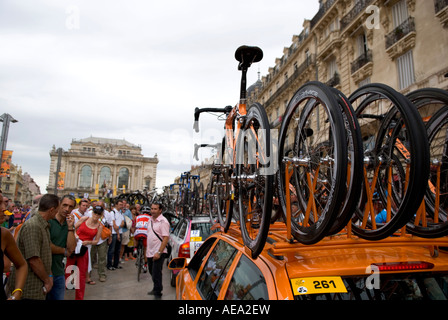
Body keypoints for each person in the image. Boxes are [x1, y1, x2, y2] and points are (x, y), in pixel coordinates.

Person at [11, 194, 60, 300]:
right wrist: (47, 280)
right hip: (29, 288)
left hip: (36, 286)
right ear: (51, 210)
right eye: (57, 209)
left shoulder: (44, 225)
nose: (58, 212)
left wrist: (49, 276)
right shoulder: (33, 226)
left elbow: (44, 254)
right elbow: (34, 259)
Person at [65, 205, 102, 300]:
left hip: (84, 249)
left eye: (98, 214)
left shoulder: (100, 226)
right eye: (95, 212)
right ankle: (63, 291)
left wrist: (88, 242)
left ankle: (79, 297)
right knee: (68, 270)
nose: (96, 215)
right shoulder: (85, 218)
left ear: (101, 215)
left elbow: (96, 241)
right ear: (92, 212)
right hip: (74, 246)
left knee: (81, 275)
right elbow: (73, 228)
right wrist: (76, 236)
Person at [47, 194, 77, 300]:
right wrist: (63, 251)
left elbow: (72, 249)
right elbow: (46, 246)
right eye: (64, 205)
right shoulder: (49, 220)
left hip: (59, 272)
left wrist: (70, 228)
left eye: (70, 207)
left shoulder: (69, 223)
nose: (67, 209)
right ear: (59, 204)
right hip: (44, 271)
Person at [0, 192, 27, 300]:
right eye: (0, 203)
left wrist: (17, 293)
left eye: (4, 203)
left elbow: (22, 265)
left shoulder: (3, 235)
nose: (3, 208)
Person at [146, 202, 170, 299]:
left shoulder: (163, 221)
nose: (153, 211)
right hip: (150, 251)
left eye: (155, 209)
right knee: (152, 271)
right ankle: (156, 287)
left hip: (159, 252)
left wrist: (159, 252)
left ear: (160, 210)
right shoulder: (150, 220)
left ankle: (158, 293)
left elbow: (165, 238)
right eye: (152, 208)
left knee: (156, 272)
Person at [90, 200, 110, 282]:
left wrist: (110, 237)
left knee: (102, 258)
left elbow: (110, 225)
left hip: (102, 239)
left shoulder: (107, 214)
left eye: (100, 205)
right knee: (90, 258)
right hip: (91, 239)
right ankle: (88, 275)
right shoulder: (89, 213)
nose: (98, 207)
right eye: (97, 205)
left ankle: (102, 275)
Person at [132, 205, 151, 273]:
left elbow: (134, 225)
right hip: (146, 233)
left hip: (138, 232)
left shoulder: (137, 217)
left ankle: (135, 249)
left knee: (135, 237)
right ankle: (145, 265)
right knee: (145, 249)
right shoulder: (151, 218)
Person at [107, 199, 124, 270]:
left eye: (122, 205)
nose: (121, 206)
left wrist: (119, 227)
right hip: (114, 233)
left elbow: (122, 223)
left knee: (118, 250)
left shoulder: (121, 213)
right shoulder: (112, 213)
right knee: (111, 250)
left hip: (120, 232)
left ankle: (116, 264)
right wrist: (118, 234)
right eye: (120, 204)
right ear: (116, 204)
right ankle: (109, 264)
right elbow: (114, 225)